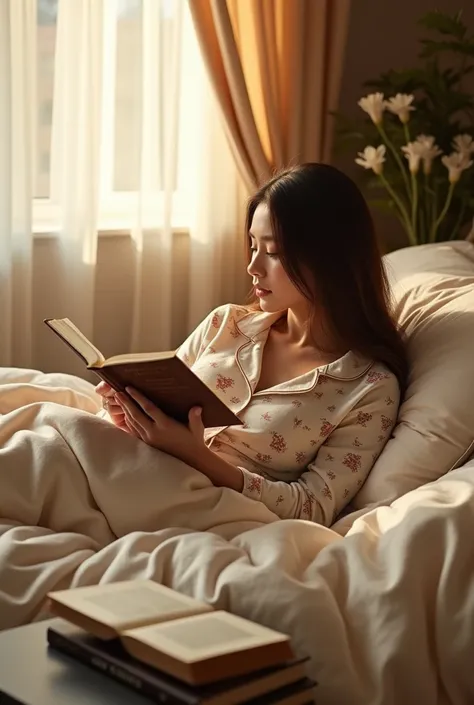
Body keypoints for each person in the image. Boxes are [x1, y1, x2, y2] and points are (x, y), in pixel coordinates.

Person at [97, 163, 408, 526]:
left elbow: (313, 506)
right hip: (127, 468)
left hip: (196, 510)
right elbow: (163, 415)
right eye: (252, 246)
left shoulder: (369, 390)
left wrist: (197, 456)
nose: (253, 267)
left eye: (272, 252)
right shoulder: (225, 323)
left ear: (329, 259)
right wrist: (127, 415)